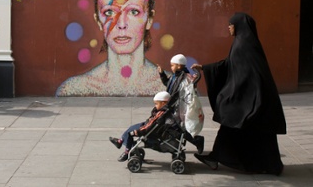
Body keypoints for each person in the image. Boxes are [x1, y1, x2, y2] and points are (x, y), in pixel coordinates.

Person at [191, 12, 286, 175]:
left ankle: (219, 158)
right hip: (249, 97)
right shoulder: (242, 43)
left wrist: (231, 94)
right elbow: (230, 64)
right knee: (244, 130)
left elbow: (247, 73)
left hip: (250, 97)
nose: (228, 27)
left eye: (231, 24)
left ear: (239, 26)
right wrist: (206, 68)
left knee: (235, 124)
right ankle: (219, 158)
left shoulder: (244, 45)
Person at [56, 0, 164, 96]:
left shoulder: (171, 87)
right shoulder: (73, 90)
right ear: (98, 21)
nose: (121, 24)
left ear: (149, 19)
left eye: (133, 12)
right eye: (109, 12)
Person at [158, 54, 205, 154]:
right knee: (178, 128)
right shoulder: (175, 76)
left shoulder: (185, 78)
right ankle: (182, 143)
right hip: (174, 106)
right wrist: (162, 74)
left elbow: (189, 91)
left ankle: (197, 141)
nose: (171, 67)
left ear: (179, 66)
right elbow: (168, 84)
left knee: (179, 128)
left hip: (181, 108)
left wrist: (195, 78)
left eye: (172, 65)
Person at [109, 91, 172, 162]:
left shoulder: (160, 113)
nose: (155, 106)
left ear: (163, 103)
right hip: (147, 126)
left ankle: (127, 152)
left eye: (156, 104)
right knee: (131, 127)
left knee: (131, 133)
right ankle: (120, 141)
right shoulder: (162, 111)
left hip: (148, 130)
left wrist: (139, 131)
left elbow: (151, 126)